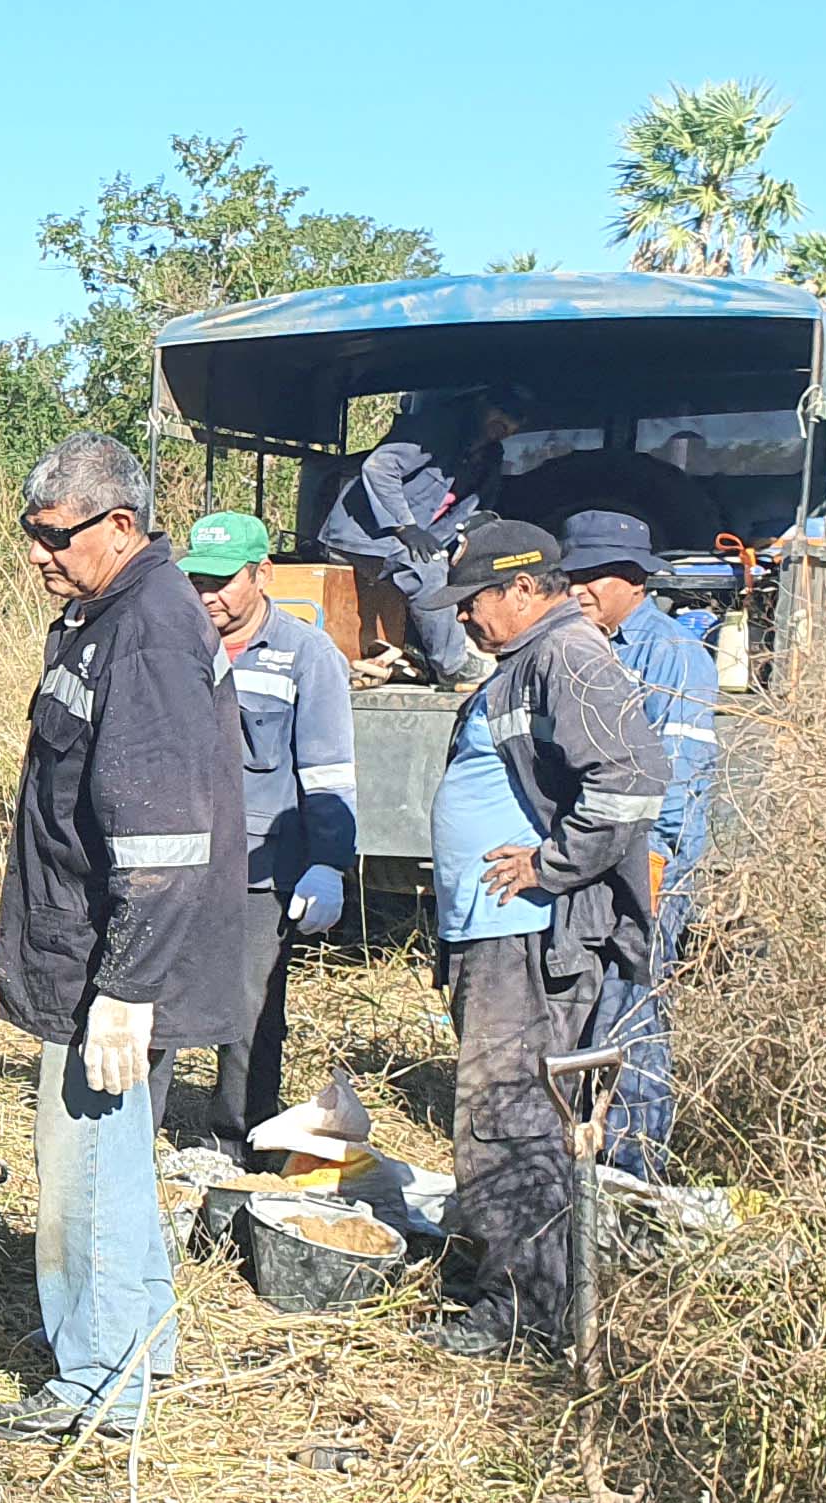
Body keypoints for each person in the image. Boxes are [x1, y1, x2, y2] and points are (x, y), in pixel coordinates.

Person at [0, 436, 251, 1439]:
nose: (40, 556)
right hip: (105, 953)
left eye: (54, 537)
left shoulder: (146, 633)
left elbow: (165, 833)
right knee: (121, 1160)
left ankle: (96, 1386)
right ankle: (141, 1353)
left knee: (84, 1166)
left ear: (119, 526)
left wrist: (125, 988)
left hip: (117, 963)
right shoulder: (107, 617)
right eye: (32, 537)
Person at [415, 520, 667, 1358]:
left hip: (529, 934)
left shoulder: (568, 656)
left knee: (507, 1115)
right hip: (496, 933)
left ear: (525, 588)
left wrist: (552, 865)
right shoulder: (527, 662)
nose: (463, 621)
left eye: (474, 601)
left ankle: (520, 1308)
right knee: (506, 1108)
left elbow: (633, 780)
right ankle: (517, 1275)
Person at [179, 510, 356, 1160]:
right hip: (179, 863)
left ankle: (237, 1145)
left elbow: (329, 770)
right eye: (199, 580)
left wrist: (329, 862)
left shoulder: (307, 656)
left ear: (263, 575)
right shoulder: (181, 647)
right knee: (156, 1000)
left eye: (224, 581)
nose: (209, 595)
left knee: (249, 1014)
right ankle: (133, 1141)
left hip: (260, 872)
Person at [559, 510, 719, 1176]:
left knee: (634, 1009)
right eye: (572, 577)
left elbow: (683, 769)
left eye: (593, 578)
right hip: (595, 857)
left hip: (649, 859)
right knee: (591, 1005)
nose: (578, 591)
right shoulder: (583, 645)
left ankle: (635, 1166)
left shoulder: (671, 654)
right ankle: (582, 1157)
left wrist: (653, 861)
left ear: (634, 580)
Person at [318, 384, 533, 684]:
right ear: (482, 403)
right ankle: (453, 665)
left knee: (469, 568)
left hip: (414, 542)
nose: (507, 424)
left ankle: (464, 651)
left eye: (517, 420)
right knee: (428, 571)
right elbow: (379, 467)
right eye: (503, 411)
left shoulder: (489, 457)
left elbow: (478, 509)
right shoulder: (438, 427)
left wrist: (472, 541)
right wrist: (405, 527)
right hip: (363, 539)